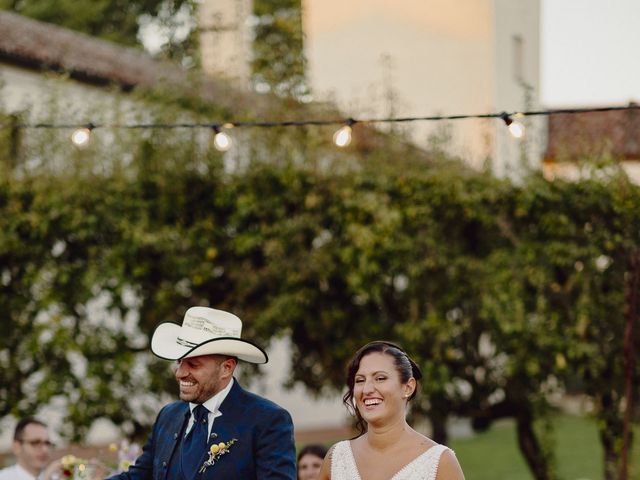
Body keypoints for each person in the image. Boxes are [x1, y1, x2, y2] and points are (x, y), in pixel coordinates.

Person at [106, 306, 297, 479]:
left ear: (226, 368)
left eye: (193, 365)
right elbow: (138, 477)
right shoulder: (168, 416)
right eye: (179, 362)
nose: (180, 373)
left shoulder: (267, 420)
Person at [318, 341, 465, 480]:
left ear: (408, 387)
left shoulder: (440, 462)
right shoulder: (336, 458)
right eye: (360, 380)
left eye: (380, 378)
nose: (367, 389)